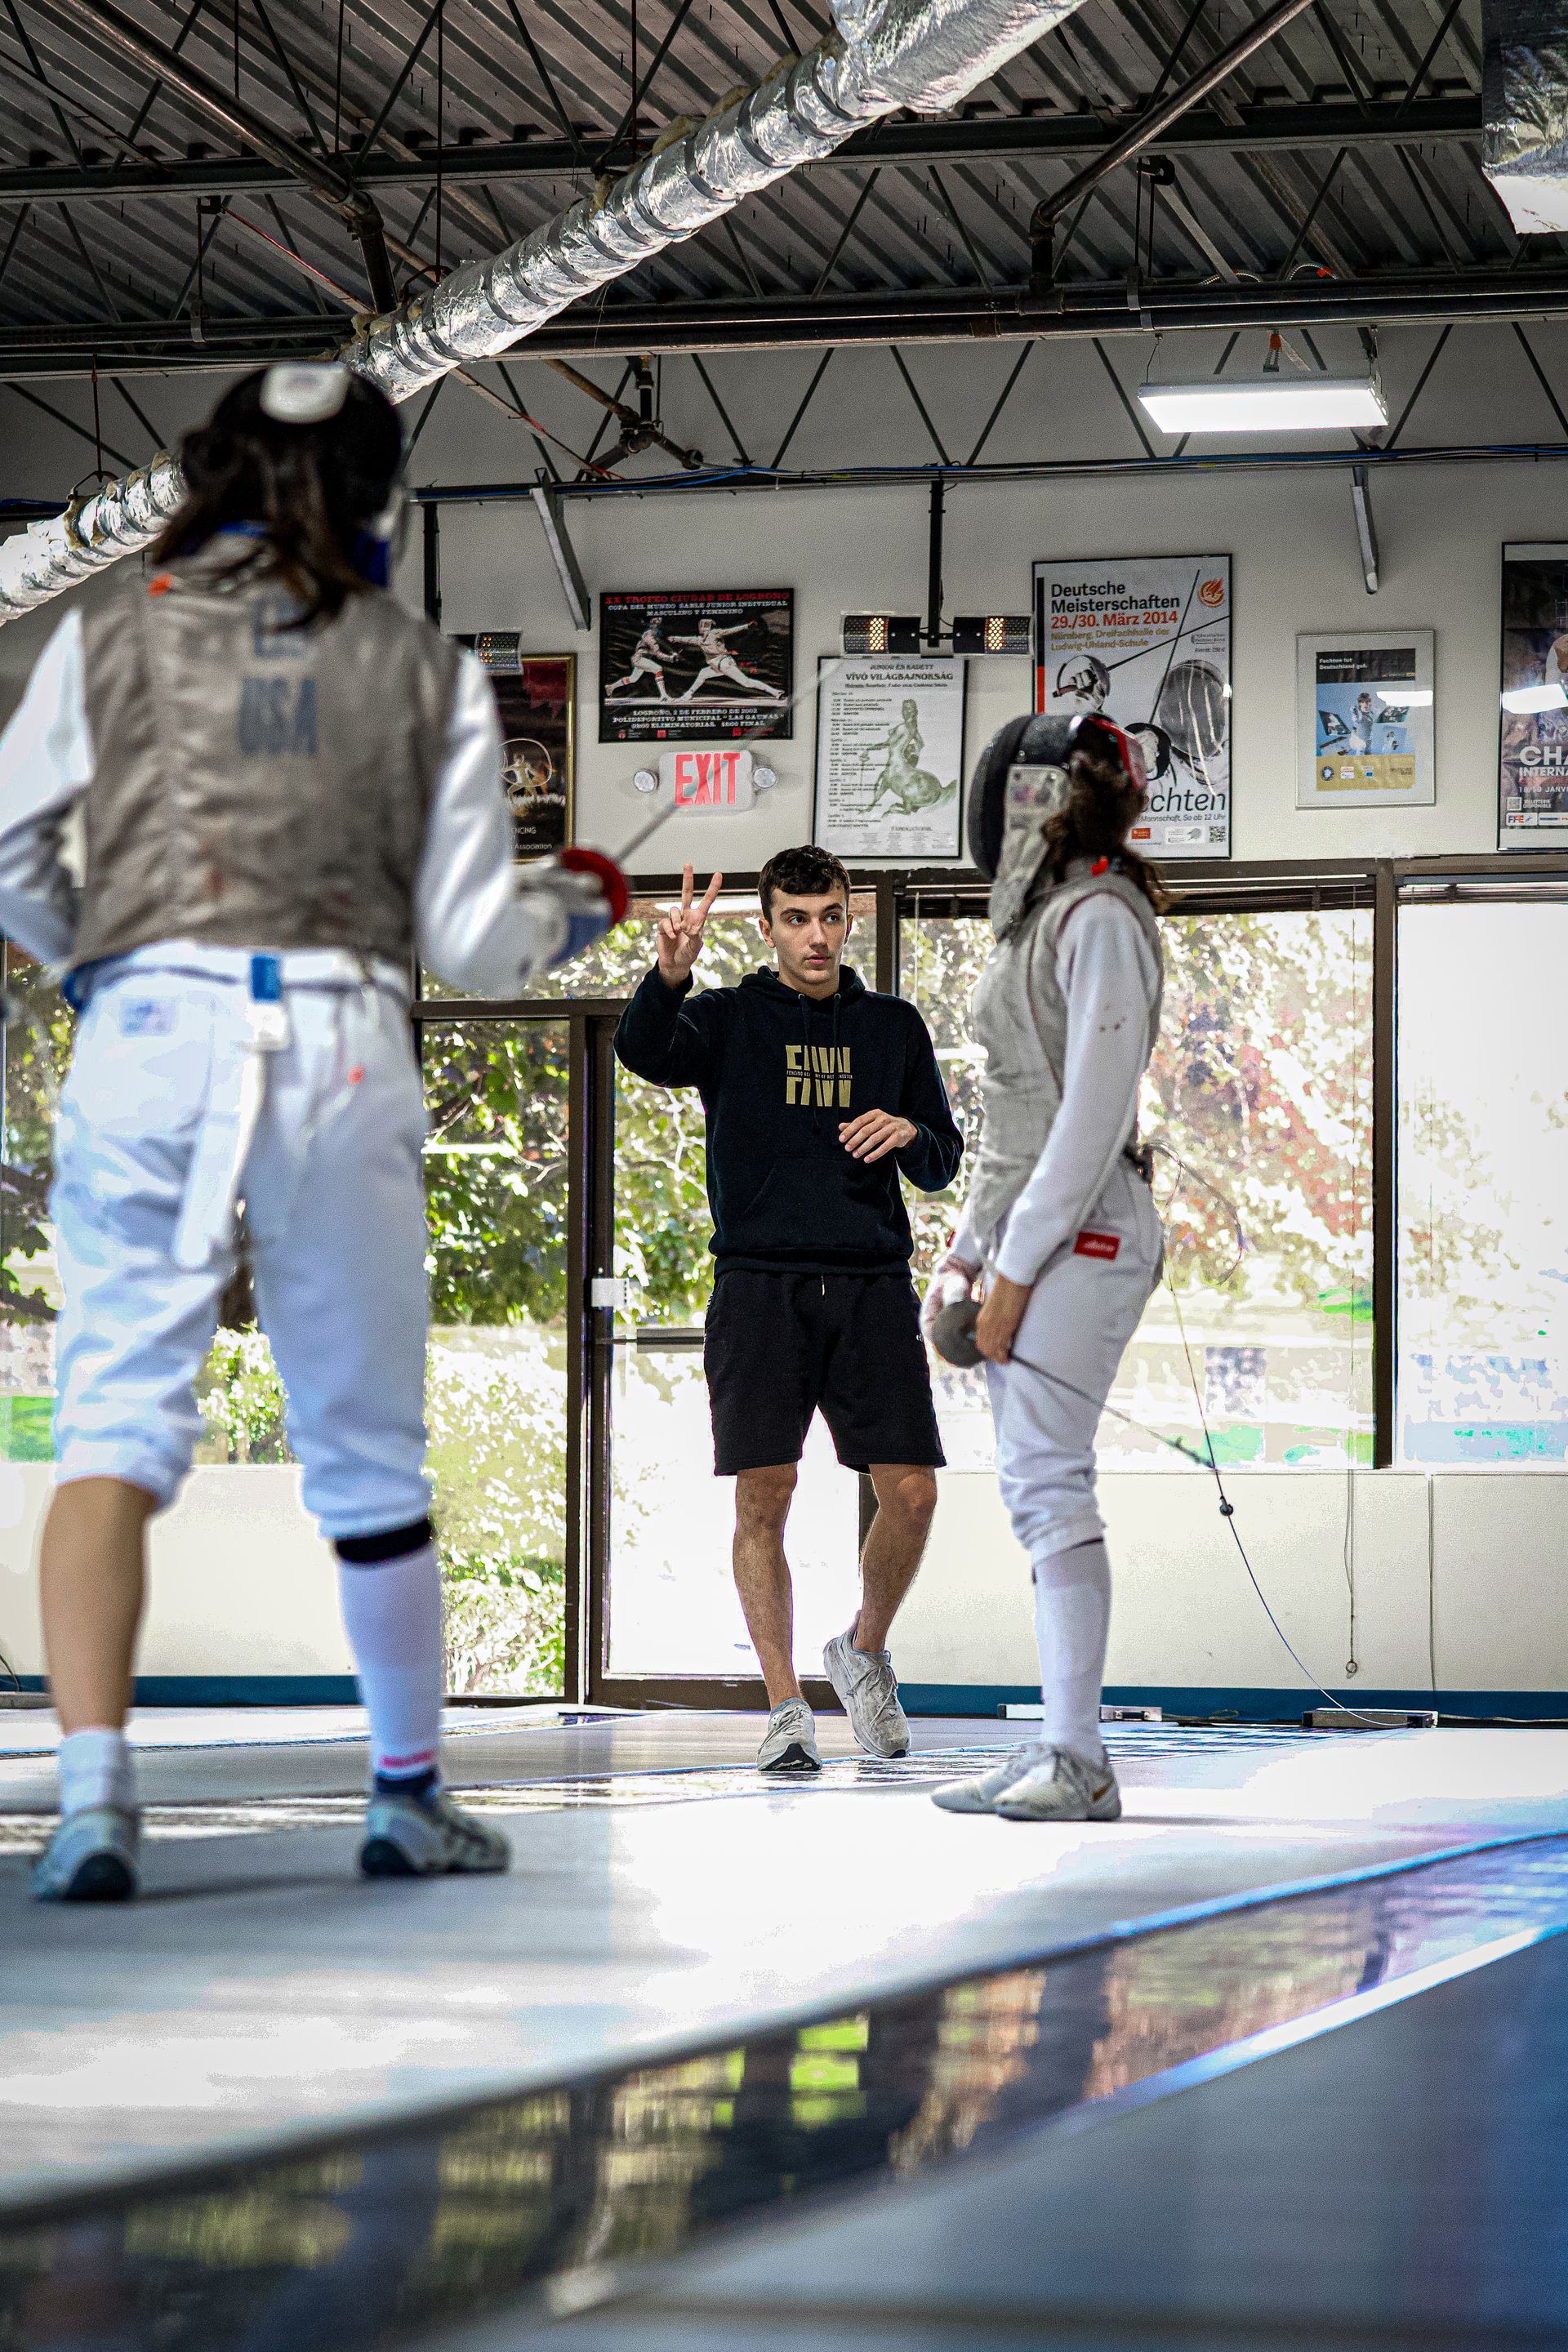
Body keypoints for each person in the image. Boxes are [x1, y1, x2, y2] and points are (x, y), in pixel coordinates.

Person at [0, 361, 626, 1902]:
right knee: (367, 1450)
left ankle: (92, 1804)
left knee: (114, 1429)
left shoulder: (105, 631)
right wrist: (582, 903)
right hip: (341, 1041)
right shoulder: (418, 664)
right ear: (375, 500)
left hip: (147, 1033)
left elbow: (7, 847)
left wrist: (98, 962)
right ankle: (405, 1796)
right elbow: (476, 940)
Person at [614, 845, 963, 1773]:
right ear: (767, 927)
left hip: (870, 1285)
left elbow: (942, 1157)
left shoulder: (893, 1026)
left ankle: (864, 1650)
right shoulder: (727, 1019)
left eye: (833, 916)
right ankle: (783, 1706)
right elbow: (645, 1052)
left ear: (851, 921)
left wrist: (911, 1131)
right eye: (798, 919)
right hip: (760, 1288)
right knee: (765, 1497)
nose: (818, 936)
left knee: (915, 1492)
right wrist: (670, 973)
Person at [926, 712, 1165, 1826]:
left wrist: (1015, 1271)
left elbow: (1092, 1116)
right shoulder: (1034, 923)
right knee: (1034, 1484)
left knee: (1047, 1480)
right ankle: (1060, 1749)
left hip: (1093, 1229)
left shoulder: (1104, 916)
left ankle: (1079, 1760)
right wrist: (969, 1252)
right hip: (1037, 1227)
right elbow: (1014, 1118)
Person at [672, 617, 784, 702]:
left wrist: (746, 626)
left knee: (746, 683)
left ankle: (775, 692)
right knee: (703, 673)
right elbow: (687, 639)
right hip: (716, 666)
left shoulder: (714, 633)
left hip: (724, 663)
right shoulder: (700, 640)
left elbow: (730, 631)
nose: (704, 628)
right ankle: (689, 694)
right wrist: (674, 638)